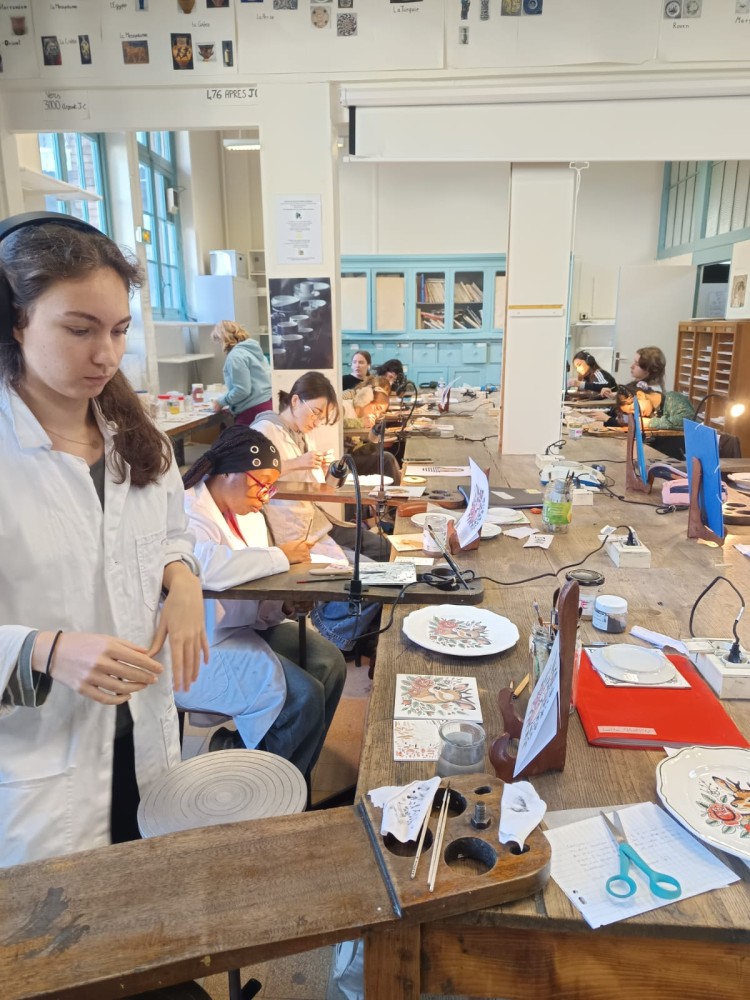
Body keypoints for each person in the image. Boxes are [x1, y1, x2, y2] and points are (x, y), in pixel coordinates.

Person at [0, 213, 208, 871]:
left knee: (150, 892)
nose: (107, 356)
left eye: (118, 330)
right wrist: (44, 649)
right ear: (15, 321)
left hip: (143, 738)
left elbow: (169, 532)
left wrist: (183, 577)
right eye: (79, 329)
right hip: (39, 767)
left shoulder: (136, 438)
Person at [178, 426, 346, 778]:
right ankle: (257, 779)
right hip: (198, 642)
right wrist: (280, 556)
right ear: (230, 473)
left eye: (271, 487)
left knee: (329, 663)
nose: (266, 497)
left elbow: (251, 585)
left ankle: (289, 771)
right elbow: (209, 568)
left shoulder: (249, 516)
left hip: (237, 627)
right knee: (303, 697)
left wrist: (283, 605)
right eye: (262, 484)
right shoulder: (189, 510)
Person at [252, 373, 384, 659]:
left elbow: (317, 487)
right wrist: (296, 463)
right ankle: (333, 630)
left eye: (321, 417)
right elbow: (253, 475)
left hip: (313, 522)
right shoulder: (264, 430)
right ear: (295, 401)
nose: (316, 421)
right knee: (370, 578)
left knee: (379, 564)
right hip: (290, 531)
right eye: (315, 412)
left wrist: (329, 472)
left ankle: (356, 635)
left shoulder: (301, 434)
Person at [211, 319, 273, 425]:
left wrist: (221, 402)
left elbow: (242, 390)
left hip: (252, 410)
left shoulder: (235, 356)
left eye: (219, 342)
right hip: (267, 405)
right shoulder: (254, 351)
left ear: (223, 339)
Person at [342, 376, 402, 485]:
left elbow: (359, 446)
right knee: (387, 459)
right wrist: (360, 423)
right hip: (341, 459)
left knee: (385, 456)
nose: (377, 414)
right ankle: (396, 492)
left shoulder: (360, 415)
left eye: (380, 413)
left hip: (351, 454)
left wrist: (374, 441)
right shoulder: (344, 407)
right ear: (366, 400)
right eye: (377, 409)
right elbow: (334, 424)